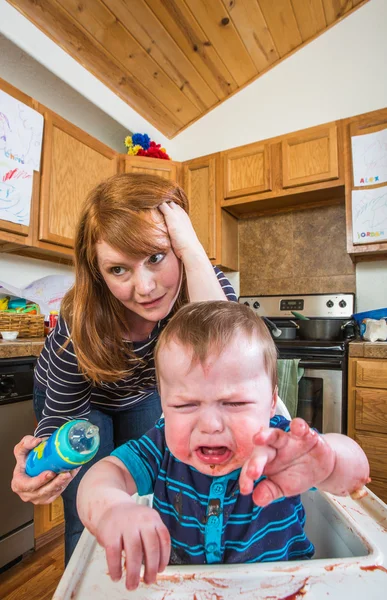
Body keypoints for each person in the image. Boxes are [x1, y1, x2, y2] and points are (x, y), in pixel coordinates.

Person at [11, 174, 237, 564]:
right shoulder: (76, 322)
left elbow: (230, 364)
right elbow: (61, 421)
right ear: (99, 273)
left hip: (139, 395)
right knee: (91, 516)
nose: (146, 287)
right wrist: (42, 469)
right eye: (119, 270)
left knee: (147, 495)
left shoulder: (202, 283)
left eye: (156, 257)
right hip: (80, 405)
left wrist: (193, 250)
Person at [77, 301, 370, 591]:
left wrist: (329, 463)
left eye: (234, 403)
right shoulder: (161, 446)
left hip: (282, 589)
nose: (210, 425)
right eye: (185, 405)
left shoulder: (285, 449)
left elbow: (355, 473)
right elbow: (106, 472)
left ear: (271, 402)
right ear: (163, 403)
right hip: (182, 590)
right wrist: (112, 507)